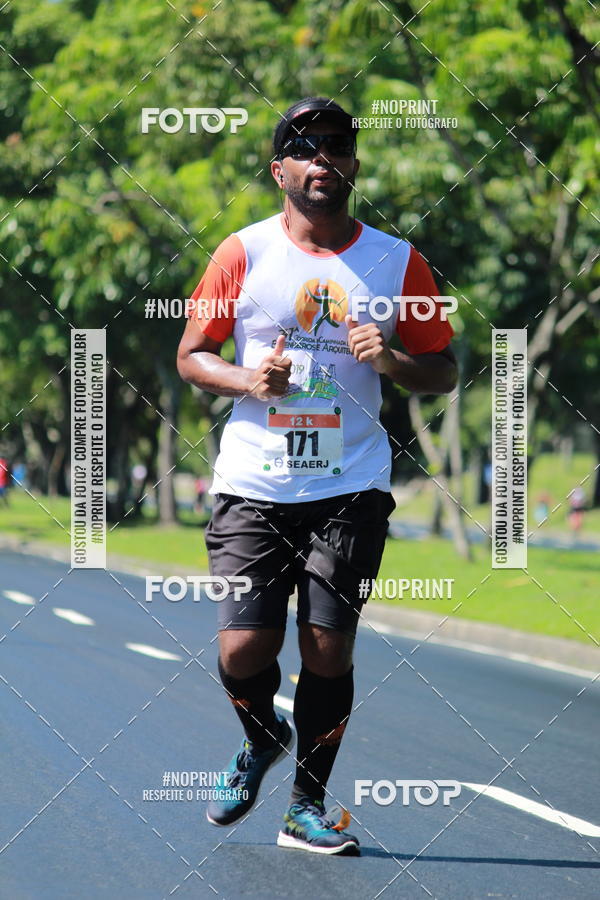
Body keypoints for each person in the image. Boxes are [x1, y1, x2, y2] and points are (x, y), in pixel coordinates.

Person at [177, 97, 457, 855]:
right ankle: (263, 737)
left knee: (328, 649)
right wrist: (246, 381)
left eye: (337, 145)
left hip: (351, 485)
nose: (323, 158)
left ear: (354, 164)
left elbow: (444, 369)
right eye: (305, 147)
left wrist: (392, 360)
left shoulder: (398, 262)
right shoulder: (242, 252)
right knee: (242, 650)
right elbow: (192, 352)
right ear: (280, 170)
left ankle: (307, 804)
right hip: (253, 483)